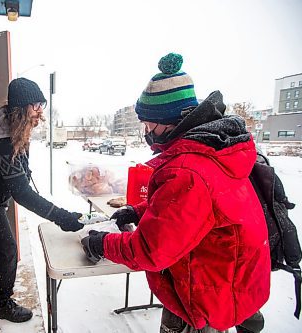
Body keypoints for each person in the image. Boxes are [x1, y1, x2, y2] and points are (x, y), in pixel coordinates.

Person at [81, 53, 270, 333]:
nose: (146, 131)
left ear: (170, 119)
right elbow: (189, 211)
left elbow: (151, 250)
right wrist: (138, 210)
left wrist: (102, 244)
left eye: (149, 124)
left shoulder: (188, 169)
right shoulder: (214, 149)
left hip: (204, 294)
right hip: (228, 278)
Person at [0, 78, 84, 323]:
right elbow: (22, 193)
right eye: (35, 105)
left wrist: (24, 168)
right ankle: (3, 303)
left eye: (41, 103)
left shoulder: (14, 124)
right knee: (9, 250)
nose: (40, 110)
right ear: (20, 107)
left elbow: (20, 159)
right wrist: (61, 216)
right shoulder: (0, 140)